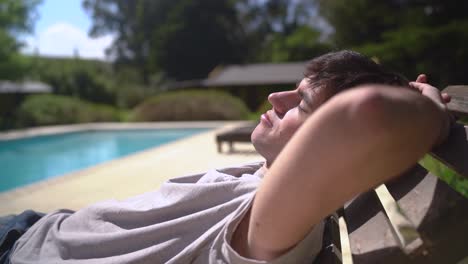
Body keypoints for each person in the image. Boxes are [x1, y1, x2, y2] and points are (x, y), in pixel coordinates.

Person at [4, 50, 451, 264]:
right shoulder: (265, 181)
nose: (275, 97)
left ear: (334, 138)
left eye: (302, 103)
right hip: (40, 226)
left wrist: (431, 109)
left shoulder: (272, 223)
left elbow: (367, 114)